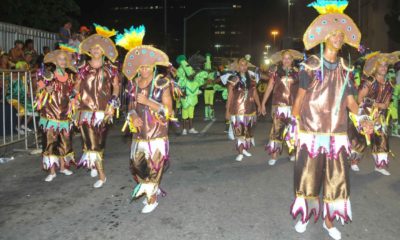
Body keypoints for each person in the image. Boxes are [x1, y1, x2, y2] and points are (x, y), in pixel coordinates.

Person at [290, 1, 372, 239]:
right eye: (334, 34)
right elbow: (299, 100)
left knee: (336, 180)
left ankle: (328, 222)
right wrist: (294, 127)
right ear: (325, 36)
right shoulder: (311, 66)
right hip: (311, 132)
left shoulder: (346, 69)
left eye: (341, 34)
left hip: (337, 134)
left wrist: (364, 118)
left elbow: (351, 102)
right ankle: (305, 216)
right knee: (308, 179)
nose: (338, 37)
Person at [116, 25, 175, 213]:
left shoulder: (162, 83)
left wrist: (149, 102)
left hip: (157, 132)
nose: (144, 69)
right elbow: (129, 107)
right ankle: (148, 188)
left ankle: (152, 197)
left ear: (153, 66)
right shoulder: (132, 84)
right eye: (141, 66)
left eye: (147, 66)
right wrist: (132, 116)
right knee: (136, 165)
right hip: (139, 133)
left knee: (154, 166)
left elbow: (169, 111)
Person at [75, 24, 120, 188]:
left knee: (99, 143)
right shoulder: (83, 68)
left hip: (104, 111)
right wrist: (74, 95)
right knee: (91, 143)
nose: (95, 50)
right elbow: (76, 85)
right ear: (89, 51)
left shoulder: (110, 68)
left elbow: (116, 86)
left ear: (103, 51)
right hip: (86, 110)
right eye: (93, 48)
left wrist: (114, 99)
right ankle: (102, 175)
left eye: (99, 48)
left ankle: (94, 162)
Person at [348, 51, 399, 175]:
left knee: (382, 137)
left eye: (385, 65)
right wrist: (369, 110)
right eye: (381, 65)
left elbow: (386, 104)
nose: (383, 68)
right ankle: (354, 161)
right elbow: (359, 99)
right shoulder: (369, 81)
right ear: (376, 67)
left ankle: (380, 165)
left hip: (380, 115)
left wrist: (377, 107)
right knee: (361, 138)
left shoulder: (389, 84)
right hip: (365, 113)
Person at [35, 44, 77, 182]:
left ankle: (63, 167)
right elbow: (38, 90)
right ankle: (52, 171)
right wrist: (45, 90)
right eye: (60, 59)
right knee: (50, 143)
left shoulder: (71, 77)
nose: (63, 61)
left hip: (65, 115)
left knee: (65, 142)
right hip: (50, 115)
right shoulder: (49, 76)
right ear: (54, 61)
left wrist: (74, 99)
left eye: (65, 59)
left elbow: (74, 94)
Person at [260, 49, 303, 165]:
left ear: (292, 60)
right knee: (276, 130)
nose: (286, 60)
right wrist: (263, 103)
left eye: (289, 58)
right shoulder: (276, 72)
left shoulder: (298, 72)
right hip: (279, 106)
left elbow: (302, 90)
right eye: (284, 58)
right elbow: (269, 87)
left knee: (293, 131)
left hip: (293, 107)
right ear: (281, 60)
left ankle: (292, 153)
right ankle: (274, 155)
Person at [224, 58, 261, 161]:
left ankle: (244, 149)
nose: (243, 67)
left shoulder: (252, 78)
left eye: (245, 65)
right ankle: (240, 152)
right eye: (241, 65)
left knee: (247, 132)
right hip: (237, 110)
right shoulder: (233, 78)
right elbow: (230, 95)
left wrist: (260, 105)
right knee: (239, 131)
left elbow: (254, 93)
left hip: (250, 110)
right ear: (238, 66)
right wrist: (227, 110)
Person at [176, 55, 208, 135]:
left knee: (191, 115)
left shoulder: (196, 80)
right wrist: (182, 93)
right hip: (186, 100)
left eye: (192, 74)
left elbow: (203, 80)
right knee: (184, 116)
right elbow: (180, 86)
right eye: (189, 75)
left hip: (193, 100)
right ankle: (184, 129)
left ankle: (191, 128)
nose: (191, 75)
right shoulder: (184, 80)